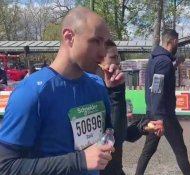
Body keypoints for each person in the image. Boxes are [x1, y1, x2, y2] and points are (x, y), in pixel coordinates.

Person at [0, 7, 124, 175]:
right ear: (69, 37)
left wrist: (116, 94)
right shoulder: (31, 94)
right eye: (96, 41)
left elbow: (113, 138)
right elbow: (6, 167)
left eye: (105, 43)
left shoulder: (97, 86)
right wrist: (79, 160)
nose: (103, 52)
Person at [135, 29, 190, 175]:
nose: (177, 45)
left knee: (148, 150)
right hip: (164, 115)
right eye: (177, 42)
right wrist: (160, 119)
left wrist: (175, 65)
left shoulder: (155, 59)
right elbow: (157, 90)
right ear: (173, 41)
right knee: (180, 150)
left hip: (154, 111)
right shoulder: (164, 62)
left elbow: (159, 82)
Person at [95, 40, 127, 175]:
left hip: (115, 168)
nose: (118, 61)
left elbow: (120, 134)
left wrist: (143, 126)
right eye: (113, 57)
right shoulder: (92, 90)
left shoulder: (115, 87)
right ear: (100, 60)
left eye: (118, 56)